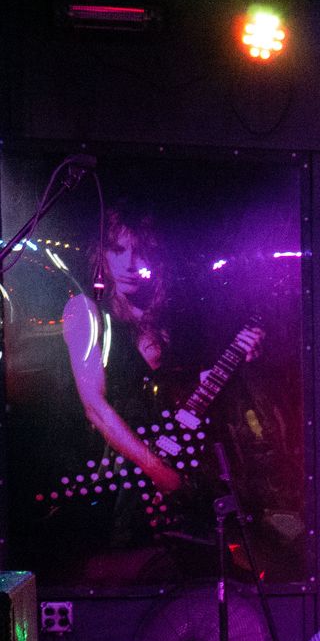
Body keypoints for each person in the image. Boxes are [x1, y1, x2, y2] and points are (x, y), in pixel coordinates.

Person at [56, 206, 262, 564]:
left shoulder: (167, 315)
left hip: (178, 471)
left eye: (141, 252)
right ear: (101, 253)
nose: (129, 264)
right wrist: (160, 472)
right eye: (118, 250)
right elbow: (95, 408)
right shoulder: (86, 311)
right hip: (118, 477)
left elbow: (190, 390)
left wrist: (244, 354)